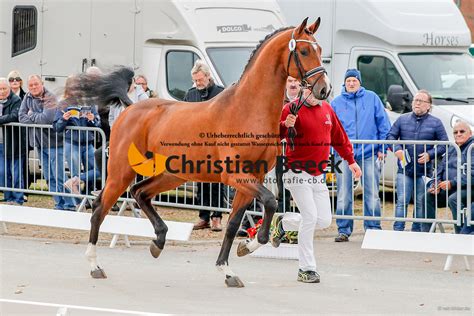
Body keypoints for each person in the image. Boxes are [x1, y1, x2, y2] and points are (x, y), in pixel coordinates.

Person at [279, 86, 362, 283]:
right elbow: (275, 135)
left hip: (318, 174)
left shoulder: (326, 109)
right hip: (296, 171)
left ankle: (282, 224)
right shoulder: (291, 108)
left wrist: (351, 161)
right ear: (305, 90)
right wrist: (284, 125)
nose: (318, 98)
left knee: (323, 220)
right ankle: (306, 268)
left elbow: (339, 137)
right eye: (316, 94)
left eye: (321, 95)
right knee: (310, 218)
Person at [331, 68, 391, 242]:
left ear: (359, 82)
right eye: (348, 80)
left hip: (369, 153)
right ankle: (343, 229)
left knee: (372, 192)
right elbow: (331, 130)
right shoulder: (336, 102)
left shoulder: (372, 98)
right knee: (343, 193)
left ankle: (373, 228)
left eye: (354, 80)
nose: (351, 83)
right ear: (344, 83)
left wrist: (382, 147)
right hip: (344, 155)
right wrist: (332, 150)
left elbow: (383, 124)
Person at [386, 90, 448, 231]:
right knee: (402, 201)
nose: (417, 103)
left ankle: (417, 230)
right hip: (405, 169)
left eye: (421, 101)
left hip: (424, 171)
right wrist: (397, 149)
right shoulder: (402, 119)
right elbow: (390, 137)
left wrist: (430, 154)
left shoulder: (436, 123)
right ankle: (398, 230)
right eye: (415, 100)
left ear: (429, 106)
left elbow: (445, 144)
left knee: (420, 202)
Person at [18, 75, 76, 211]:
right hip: (39, 143)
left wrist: (31, 115)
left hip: (54, 143)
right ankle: (59, 204)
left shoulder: (50, 97)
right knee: (49, 176)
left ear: (42, 83)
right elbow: (21, 117)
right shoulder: (27, 97)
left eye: (36, 84)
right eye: (31, 85)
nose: (33, 87)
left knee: (59, 175)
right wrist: (33, 117)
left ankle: (70, 204)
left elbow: (46, 119)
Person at [184, 60, 225, 232]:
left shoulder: (221, 93)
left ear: (208, 77)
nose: (198, 83)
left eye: (200, 80)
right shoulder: (191, 93)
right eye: (195, 80)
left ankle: (216, 217)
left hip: (215, 146)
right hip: (197, 146)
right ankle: (203, 217)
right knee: (200, 182)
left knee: (216, 182)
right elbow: (183, 115)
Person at [419, 120, 473, 234]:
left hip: (468, 188)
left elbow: (472, 174)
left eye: (462, 131)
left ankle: (462, 234)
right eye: (455, 132)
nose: (458, 134)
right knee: (427, 197)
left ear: (470, 133)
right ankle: (428, 233)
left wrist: (452, 183)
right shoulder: (452, 148)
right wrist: (435, 183)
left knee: (454, 199)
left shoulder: (472, 148)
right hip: (449, 188)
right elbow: (439, 169)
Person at [53, 76, 101, 197]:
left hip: (88, 144)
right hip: (72, 144)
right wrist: (64, 119)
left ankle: (86, 195)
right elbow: (56, 127)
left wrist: (92, 119)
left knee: (98, 170)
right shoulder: (63, 104)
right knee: (74, 171)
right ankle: (78, 203)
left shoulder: (89, 103)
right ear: (68, 88)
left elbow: (97, 123)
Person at [0, 78, 27, 204]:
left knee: (16, 173)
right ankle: (8, 197)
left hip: (14, 142)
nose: (1, 91)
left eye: (4, 88)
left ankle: (18, 199)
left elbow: (14, 116)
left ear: (9, 88)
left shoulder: (16, 100)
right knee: (2, 172)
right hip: (0, 143)